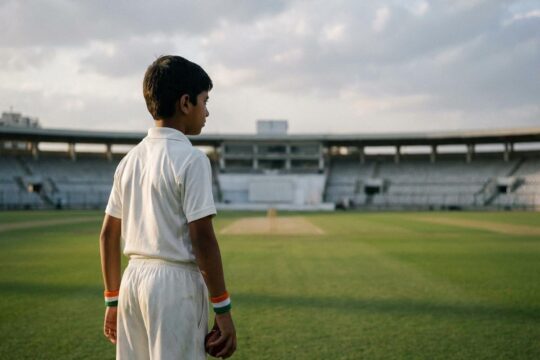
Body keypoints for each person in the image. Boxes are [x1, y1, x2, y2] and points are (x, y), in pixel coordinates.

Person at [99, 55, 237, 359]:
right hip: (175, 288)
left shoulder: (129, 160)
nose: (207, 112)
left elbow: (108, 235)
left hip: (132, 282)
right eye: (205, 101)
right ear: (186, 103)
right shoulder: (193, 159)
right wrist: (222, 309)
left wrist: (112, 300)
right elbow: (202, 238)